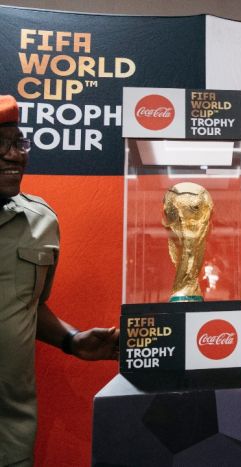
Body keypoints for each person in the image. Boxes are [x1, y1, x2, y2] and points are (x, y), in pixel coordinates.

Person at [0, 94, 120, 467]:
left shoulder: (40, 222)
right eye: (0, 145)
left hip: (10, 435)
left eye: (19, 143)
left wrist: (71, 340)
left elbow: (28, 306)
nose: (16, 155)